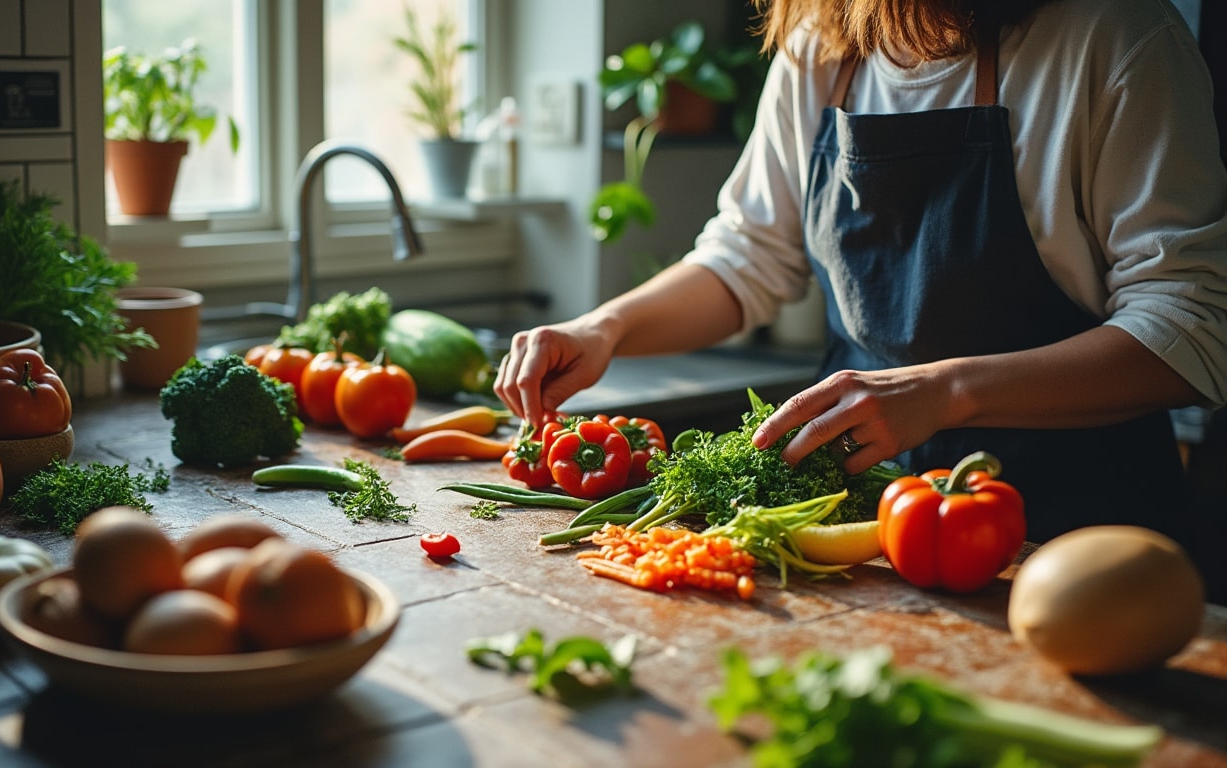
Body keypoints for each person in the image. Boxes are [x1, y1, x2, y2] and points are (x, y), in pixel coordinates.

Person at [494, 0, 1227, 552]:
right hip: (860, 506)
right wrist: (606, 327)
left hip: (1072, 524)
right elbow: (748, 256)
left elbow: (1191, 326)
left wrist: (944, 391)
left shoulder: (1116, 37)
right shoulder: (823, 43)